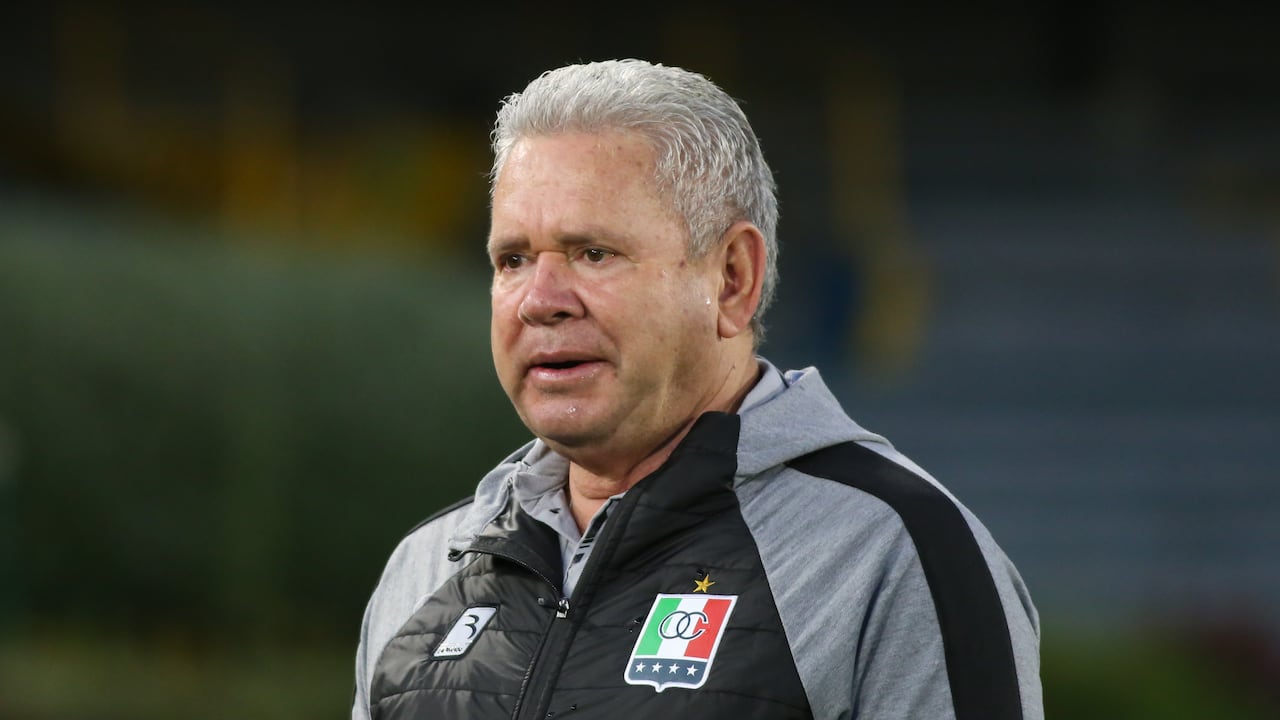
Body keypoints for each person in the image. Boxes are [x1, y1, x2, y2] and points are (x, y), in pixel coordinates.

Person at [352, 59, 1043, 720]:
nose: (541, 299)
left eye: (595, 253)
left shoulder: (892, 553)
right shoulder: (426, 567)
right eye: (513, 259)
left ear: (732, 279)